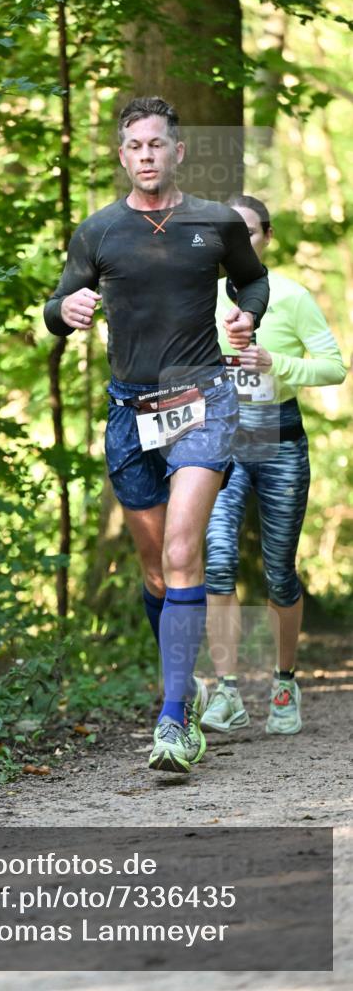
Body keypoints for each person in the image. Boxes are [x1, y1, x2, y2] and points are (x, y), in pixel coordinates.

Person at [43, 97, 269, 773]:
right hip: (129, 409)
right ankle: (183, 682)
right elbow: (55, 310)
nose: (146, 154)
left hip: (202, 397)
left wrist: (245, 320)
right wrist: (66, 308)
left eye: (156, 144)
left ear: (177, 152)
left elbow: (251, 283)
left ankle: (173, 722)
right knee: (153, 571)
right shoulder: (98, 232)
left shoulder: (215, 222)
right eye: (134, 146)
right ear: (122, 157)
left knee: (179, 550)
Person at [202, 195, 347, 735]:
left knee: (278, 569)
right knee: (217, 559)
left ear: (267, 236)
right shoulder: (204, 294)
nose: (240, 243)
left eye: (250, 233)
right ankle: (226, 692)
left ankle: (285, 680)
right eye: (228, 234)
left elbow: (334, 368)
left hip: (280, 437)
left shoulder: (291, 296)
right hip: (222, 439)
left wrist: (273, 361)